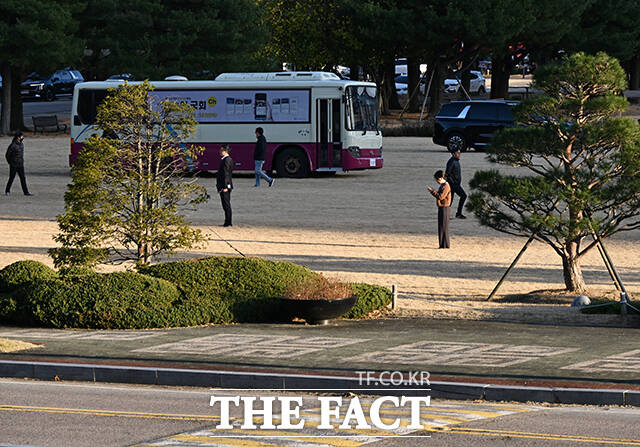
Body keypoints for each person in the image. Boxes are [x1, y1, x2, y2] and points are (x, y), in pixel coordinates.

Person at [427, 170, 452, 249]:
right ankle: (442, 244)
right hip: (442, 207)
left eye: (437, 179)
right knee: (441, 226)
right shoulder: (443, 185)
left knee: (444, 227)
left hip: (445, 207)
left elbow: (441, 197)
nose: (437, 181)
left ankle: (445, 245)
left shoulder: (446, 186)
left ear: (441, 178)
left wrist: (432, 192)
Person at [5, 131, 32, 196]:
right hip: (14, 165)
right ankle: (7, 191)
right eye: (21, 136)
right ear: (18, 137)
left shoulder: (21, 144)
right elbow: (7, 155)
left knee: (23, 178)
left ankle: (26, 192)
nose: (23, 137)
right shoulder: (12, 145)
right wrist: (10, 162)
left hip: (20, 165)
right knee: (11, 178)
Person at [445, 149, 467, 219]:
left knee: (463, 196)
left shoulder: (456, 161)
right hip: (452, 185)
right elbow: (447, 174)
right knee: (450, 200)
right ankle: (446, 215)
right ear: (453, 154)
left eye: (459, 153)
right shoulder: (451, 162)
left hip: (456, 184)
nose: (459, 154)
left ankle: (458, 213)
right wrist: (452, 182)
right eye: (457, 153)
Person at [216, 145, 233, 227]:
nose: (220, 151)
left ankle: (228, 222)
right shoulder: (226, 159)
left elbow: (226, 174)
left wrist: (225, 187)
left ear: (225, 151)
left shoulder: (226, 160)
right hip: (225, 185)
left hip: (225, 186)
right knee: (225, 204)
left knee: (226, 204)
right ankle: (227, 221)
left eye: (221, 150)